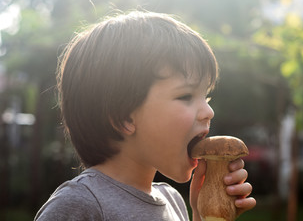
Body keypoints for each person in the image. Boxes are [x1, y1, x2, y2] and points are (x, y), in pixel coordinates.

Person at [35, 11, 256, 221]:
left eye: (206, 97)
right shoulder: (80, 204)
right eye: (186, 96)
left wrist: (205, 215)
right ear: (124, 118)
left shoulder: (173, 201)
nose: (209, 112)